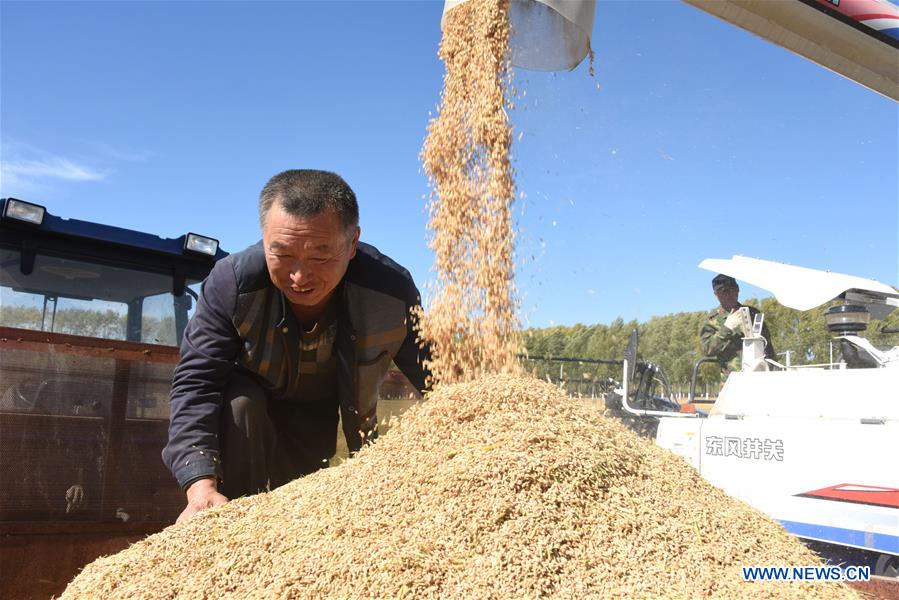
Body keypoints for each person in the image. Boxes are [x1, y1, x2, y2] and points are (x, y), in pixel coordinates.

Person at [162, 169, 430, 522]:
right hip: (247, 413)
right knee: (241, 403)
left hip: (319, 412)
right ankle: (230, 529)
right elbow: (198, 382)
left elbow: (435, 373)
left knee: (301, 514)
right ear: (265, 238)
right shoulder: (233, 283)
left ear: (352, 244)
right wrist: (200, 486)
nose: (300, 277)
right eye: (284, 254)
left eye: (320, 257)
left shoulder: (390, 293)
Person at [700, 274, 775, 375]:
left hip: (759, 376)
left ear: (737, 289)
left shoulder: (753, 313)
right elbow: (707, 350)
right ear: (716, 295)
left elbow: (768, 348)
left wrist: (769, 370)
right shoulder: (711, 320)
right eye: (723, 291)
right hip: (731, 380)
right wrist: (727, 328)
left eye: (731, 289)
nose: (728, 295)